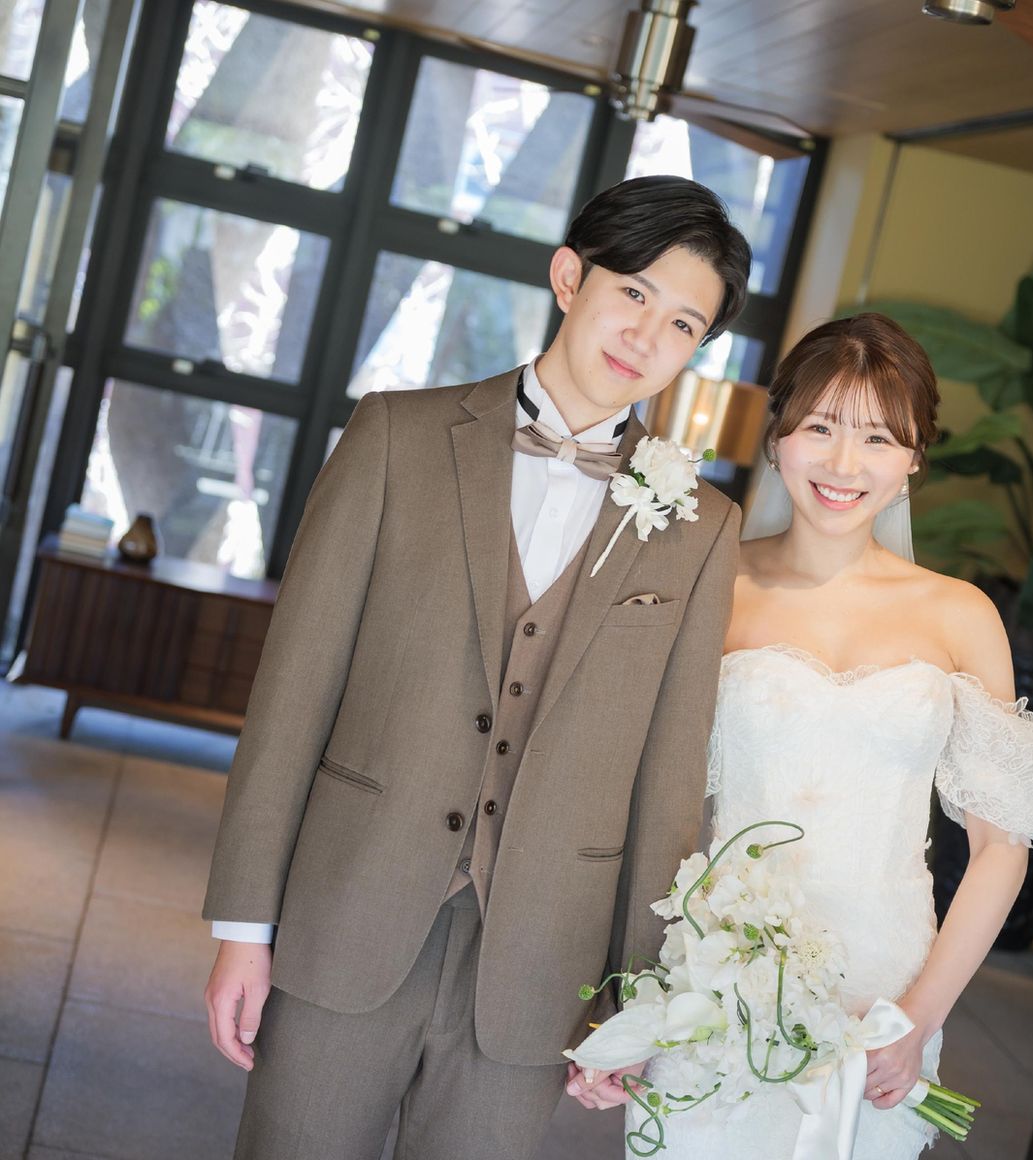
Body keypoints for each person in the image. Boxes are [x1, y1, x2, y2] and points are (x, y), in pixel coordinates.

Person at [201, 175, 752, 1160]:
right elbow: (294, 692)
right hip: (347, 910)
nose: (646, 335)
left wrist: (640, 997)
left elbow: (668, 782)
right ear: (569, 277)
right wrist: (243, 925)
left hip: (542, 964)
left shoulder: (702, 527)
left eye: (682, 323)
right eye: (632, 292)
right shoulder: (394, 436)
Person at [610, 313, 1033, 1157]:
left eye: (879, 438)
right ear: (778, 435)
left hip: (885, 993)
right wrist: (628, 1003)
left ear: (914, 458)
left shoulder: (960, 615)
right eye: (820, 427)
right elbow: (642, 801)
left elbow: (1001, 848)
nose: (844, 465)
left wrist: (919, 1016)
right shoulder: (713, 585)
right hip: (714, 977)